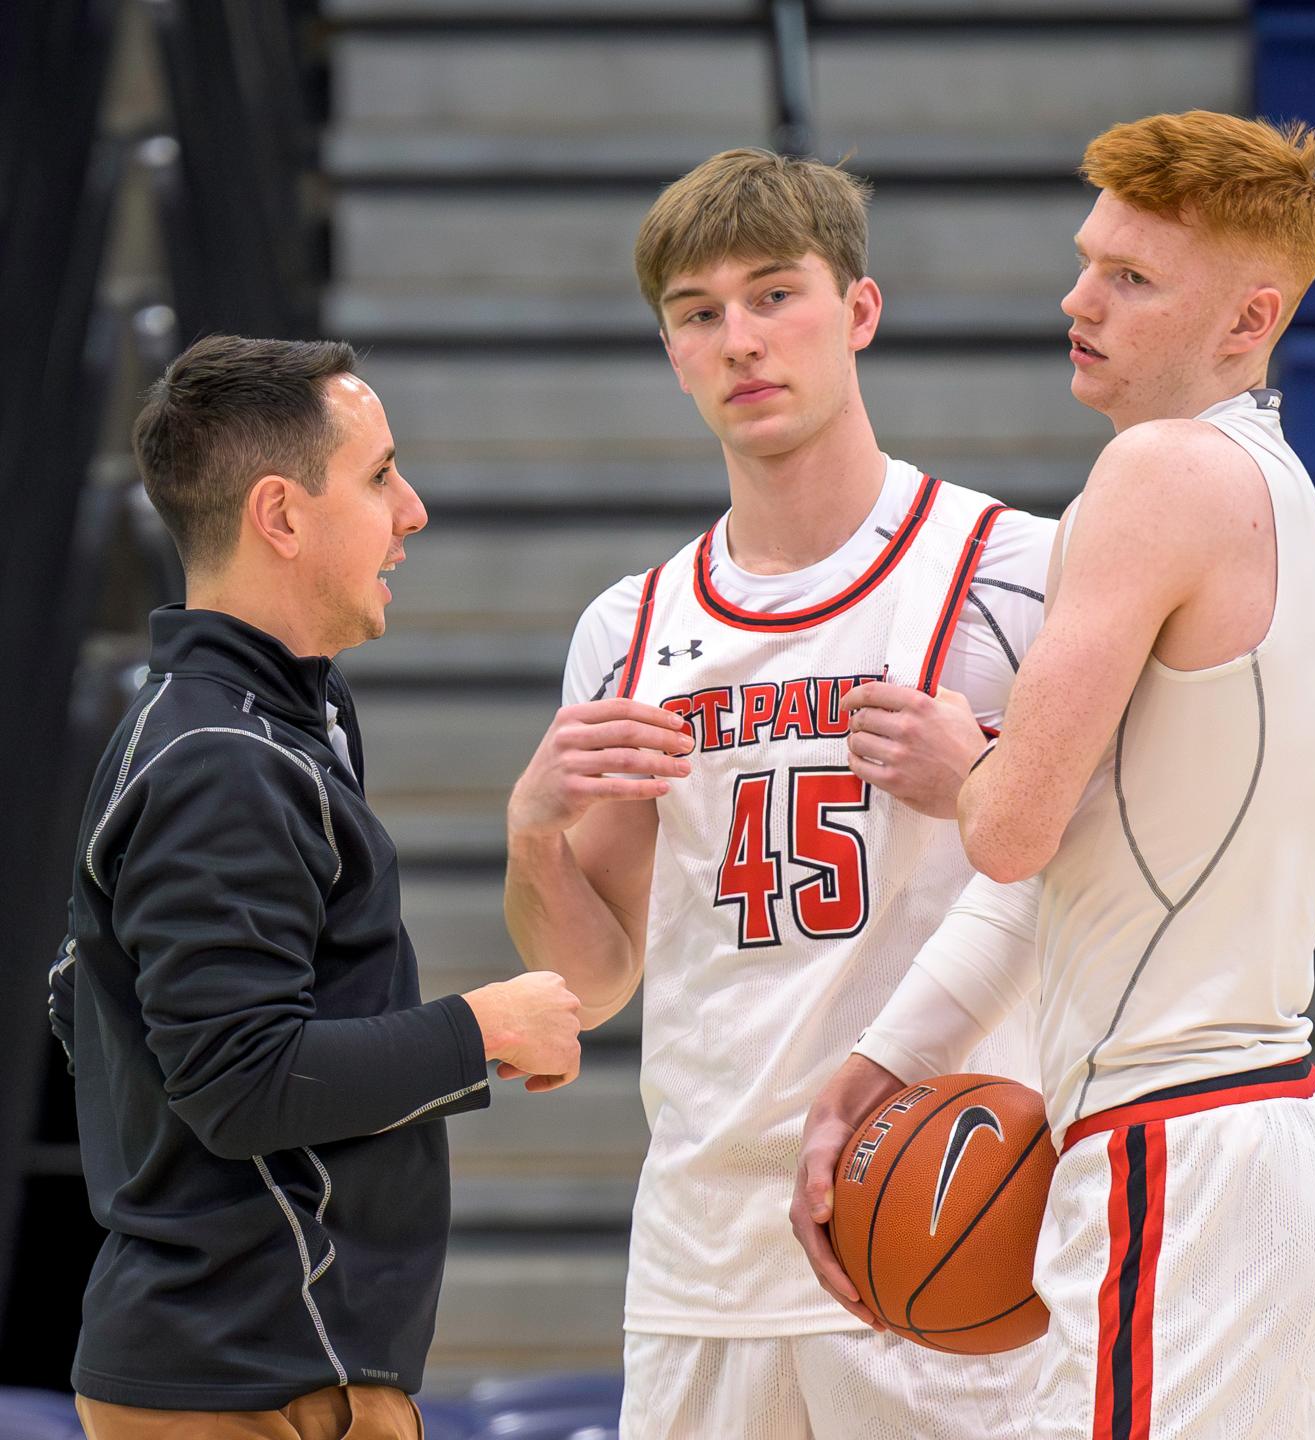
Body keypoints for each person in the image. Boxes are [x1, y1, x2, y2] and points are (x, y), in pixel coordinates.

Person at [794, 111, 1315, 1439]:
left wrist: (961, 769)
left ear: (1247, 322)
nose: (1079, 299)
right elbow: (1075, 855)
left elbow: (1011, 831)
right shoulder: (1278, 500)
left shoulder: (1156, 474)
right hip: (1284, 1145)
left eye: (1132, 278)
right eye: (1087, 260)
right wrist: (884, 1061)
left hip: (1178, 1147)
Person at [505, 148, 1058, 1438]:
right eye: (700, 314)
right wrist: (532, 835)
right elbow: (590, 986)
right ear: (670, 352)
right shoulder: (627, 627)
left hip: (944, 1221)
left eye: (774, 296)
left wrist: (977, 774)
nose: (741, 340)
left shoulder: (1013, 570)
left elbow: (1111, 869)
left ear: (858, 310)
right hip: (703, 1252)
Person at [48, 335, 584, 1440]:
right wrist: (482, 1027)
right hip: (244, 1379)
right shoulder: (222, 761)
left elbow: (84, 1001)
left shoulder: (258, 724)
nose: (414, 512)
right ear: (282, 516)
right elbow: (240, 1083)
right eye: (382, 475)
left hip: (255, 1363)